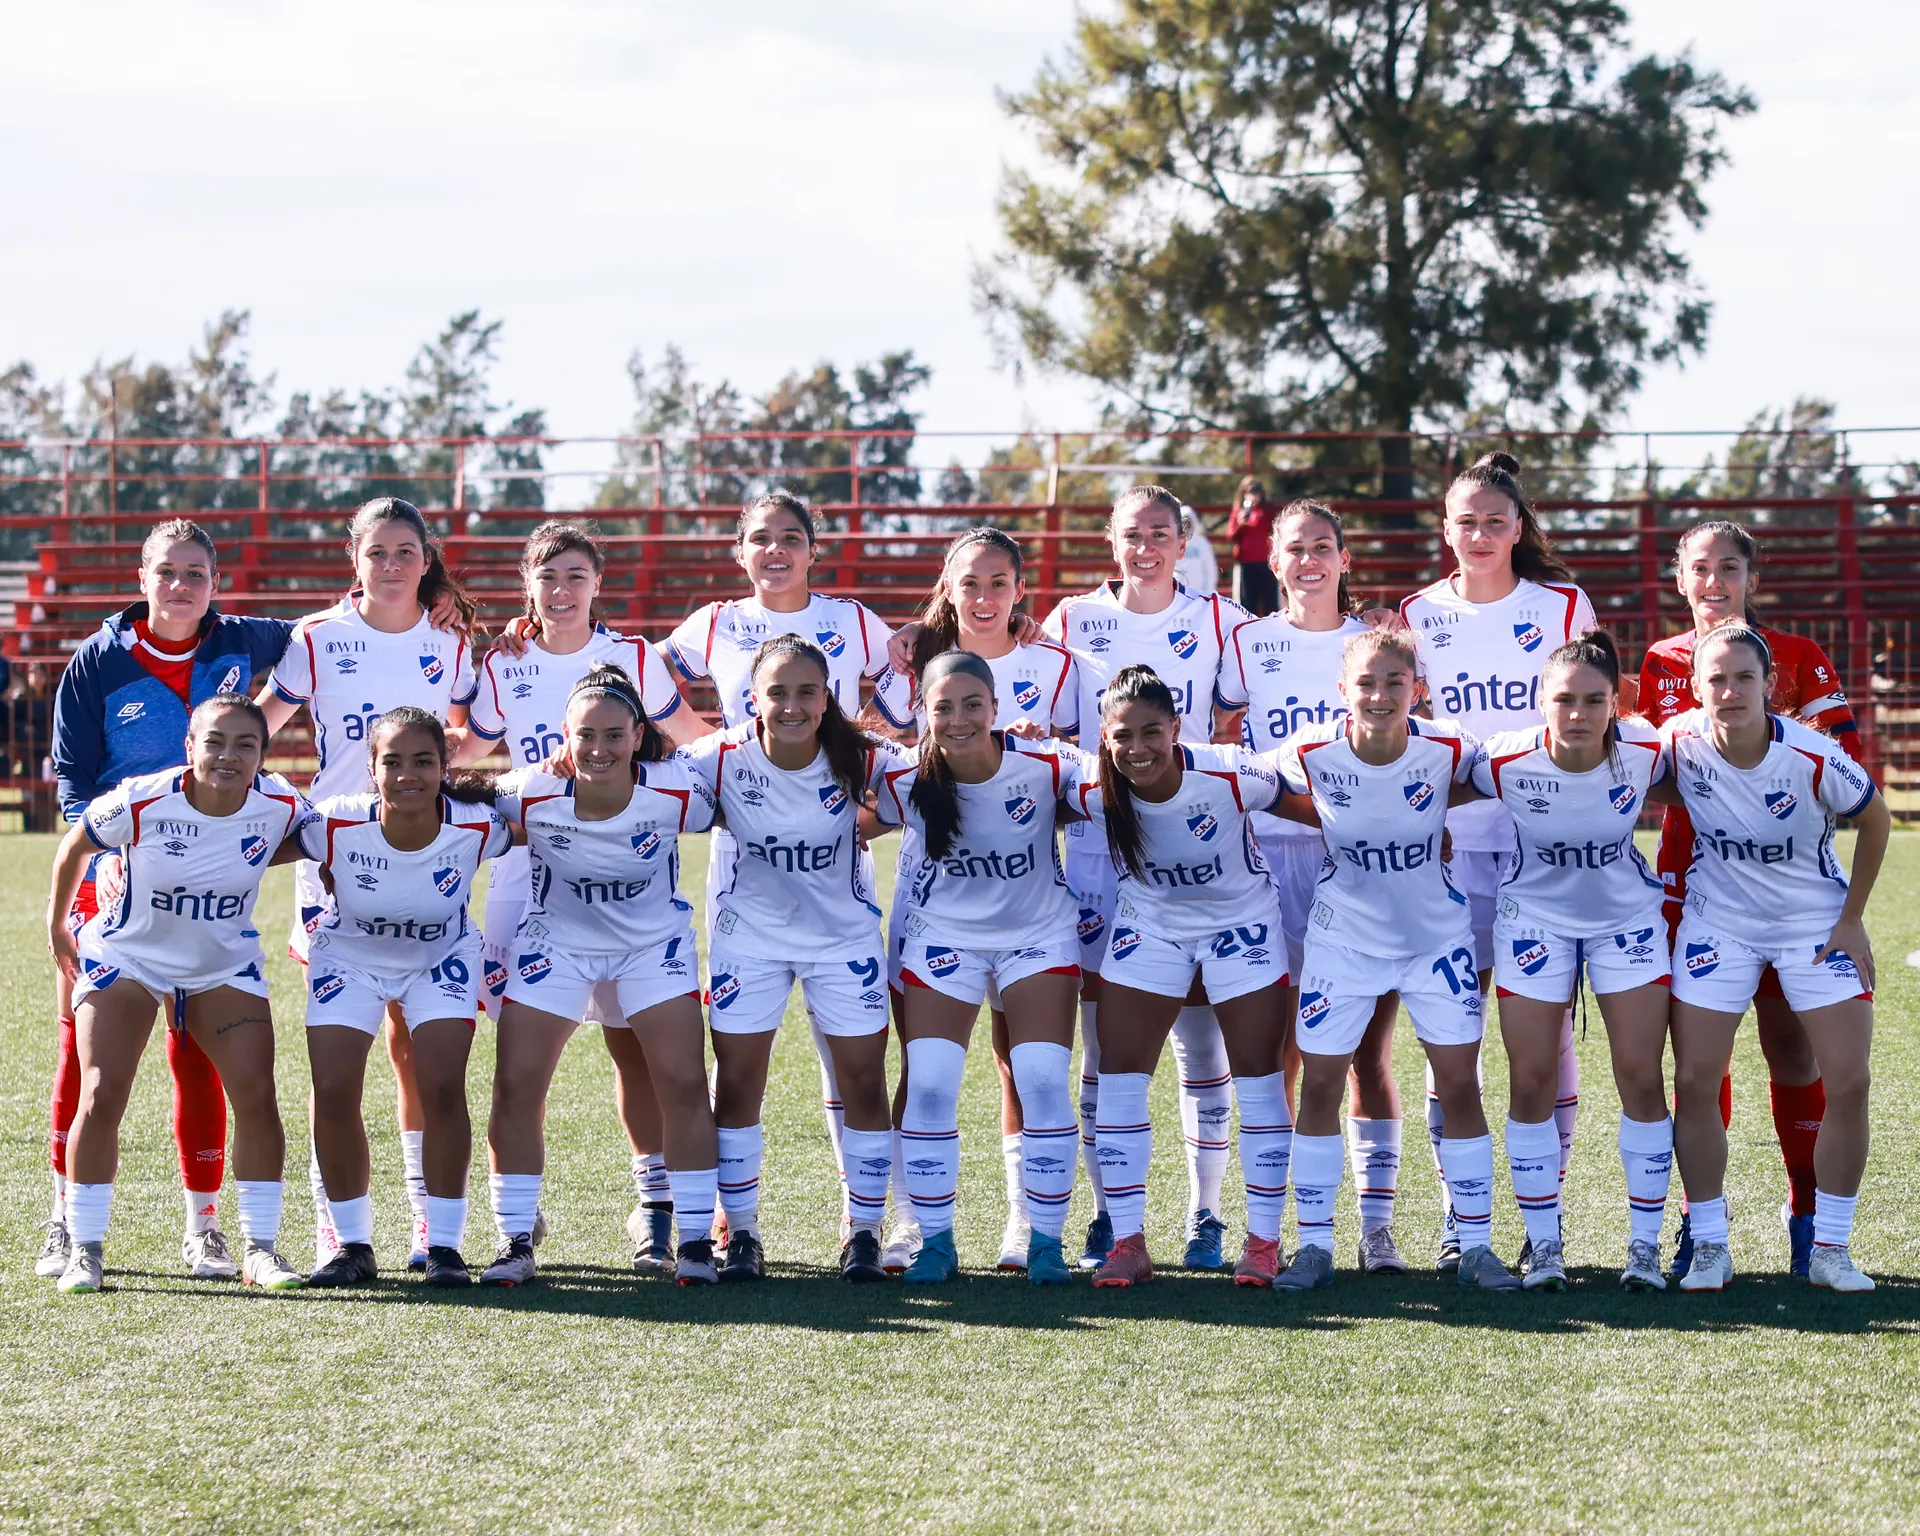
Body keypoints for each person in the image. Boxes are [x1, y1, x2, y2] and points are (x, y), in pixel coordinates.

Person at [43, 519, 296, 1281]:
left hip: (209, 889)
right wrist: (111, 857)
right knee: (85, 1053)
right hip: (116, 872)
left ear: (216, 583)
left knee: (200, 1055)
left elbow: (331, 632)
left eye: (196, 573)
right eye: (167, 572)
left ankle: (205, 1227)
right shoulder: (98, 660)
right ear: (142, 578)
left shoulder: (245, 641)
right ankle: (66, 1220)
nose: (181, 586)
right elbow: (73, 780)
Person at [450, 519, 705, 1274]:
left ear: (597, 584)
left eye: (575, 576)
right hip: (528, 876)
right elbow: (469, 750)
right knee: (519, 1055)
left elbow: (692, 738)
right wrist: (395, 754)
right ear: (527, 585)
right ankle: (517, 1218)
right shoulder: (505, 661)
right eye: (547, 576)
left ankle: (656, 1208)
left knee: (636, 1049)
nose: (560, 590)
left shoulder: (635, 656)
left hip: (629, 866)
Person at [665, 491, 906, 1240]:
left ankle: (865, 1225)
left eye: (791, 537)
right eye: (760, 538)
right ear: (740, 550)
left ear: (813, 549)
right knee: (738, 1073)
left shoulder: (854, 627)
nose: (776, 550)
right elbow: (643, 679)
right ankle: (734, 1226)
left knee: (855, 1071)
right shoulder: (714, 638)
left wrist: (860, 820)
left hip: (841, 912)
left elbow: (922, 725)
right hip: (748, 905)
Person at [258, 496, 478, 1270]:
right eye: (376, 552)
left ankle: (428, 1225)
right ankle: (339, 1231)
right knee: (337, 1057)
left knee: (416, 1049)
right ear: (354, 559)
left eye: (405, 552)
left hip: (425, 857)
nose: (390, 565)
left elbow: (467, 735)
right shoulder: (316, 637)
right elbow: (260, 727)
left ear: (427, 560)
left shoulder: (451, 639)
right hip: (334, 860)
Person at [1636, 520, 1859, 1280]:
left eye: (1728, 568)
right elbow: (1652, 769)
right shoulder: (1661, 660)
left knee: (1793, 1047)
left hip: (1791, 894)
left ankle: (1808, 1214)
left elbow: (1845, 765)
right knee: (1701, 1061)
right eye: (1700, 569)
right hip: (1692, 887)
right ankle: (1702, 1226)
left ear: (1750, 579)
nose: (1714, 582)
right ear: (1680, 580)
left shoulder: (1797, 655)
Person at [1040, 485, 1254, 1272]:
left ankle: (1206, 1215)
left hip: (1194, 851)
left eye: (1161, 533)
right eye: (1132, 534)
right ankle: (1108, 1214)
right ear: (1111, 539)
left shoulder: (1221, 618)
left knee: (1201, 1041)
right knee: (1104, 1047)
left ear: (1182, 541)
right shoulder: (1070, 620)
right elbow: (1045, 715)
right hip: (1099, 851)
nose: (1146, 548)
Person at [1272, 627, 1518, 1291]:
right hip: (1343, 943)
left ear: (1418, 689)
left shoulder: (1449, 746)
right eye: (1366, 683)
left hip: (1436, 943)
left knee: (1459, 1084)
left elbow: (1512, 766)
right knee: (1322, 1084)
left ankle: (1476, 1246)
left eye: (1394, 683)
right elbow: (1248, 780)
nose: (1379, 696)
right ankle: (1315, 1245)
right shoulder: (1308, 749)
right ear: (1342, 690)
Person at [1398, 451, 1596, 1268]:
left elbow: (1593, 715)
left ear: (1518, 529)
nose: (1479, 535)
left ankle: (1545, 1224)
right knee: (1455, 1031)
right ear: (1445, 530)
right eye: (1465, 522)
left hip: (1542, 848)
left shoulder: (1563, 605)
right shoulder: (1416, 613)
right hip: (1447, 847)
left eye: (1494, 522)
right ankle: (1460, 1215)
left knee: (1546, 1034)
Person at [1658, 625, 1887, 1293]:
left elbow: (1877, 818)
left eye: (1744, 678)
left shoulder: (1811, 754)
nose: (1730, 691)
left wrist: (1851, 919)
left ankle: (1831, 1247)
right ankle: (1709, 1244)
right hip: (1717, 924)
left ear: (1769, 686)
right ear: (1696, 688)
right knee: (1696, 1081)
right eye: (1716, 679)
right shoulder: (1676, 741)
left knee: (1850, 1081)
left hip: (1812, 924)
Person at [876, 526, 1078, 1273]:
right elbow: (838, 805)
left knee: (1038, 1079)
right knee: (927, 1081)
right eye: (942, 708)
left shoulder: (1048, 755)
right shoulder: (902, 772)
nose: (958, 719)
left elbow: (1122, 775)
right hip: (939, 932)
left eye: (973, 705)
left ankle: (1037, 1234)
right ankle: (923, 1233)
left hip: (1037, 933)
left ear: (997, 705)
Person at [1214, 501, 1409, 1275]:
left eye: (1323, 546)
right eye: (1294, 548)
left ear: (1344, 558)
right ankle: (1277, 1228)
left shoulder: (1376, 641)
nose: (1308, 561)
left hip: (1360, 863)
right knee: (1277, 1057)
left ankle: (1376, 1230)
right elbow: (1225, 739)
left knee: (1365, 1053)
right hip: (1267, 862)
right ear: (1273, 560)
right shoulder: (1246, 642)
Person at [482, 664, 722, 1287]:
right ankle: (514, 1237)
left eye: (614, 734)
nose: (599, 749)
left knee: (683, 1082)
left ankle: (696, 1239)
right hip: (556, 946)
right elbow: (454, 798)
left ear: (638, 735)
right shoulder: (530, 788)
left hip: (651, 946)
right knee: (516, 1083)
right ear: (563, 735)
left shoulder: (679, 789)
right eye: (585, 735)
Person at [1066, 665, 1297, 1288]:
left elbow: (1318, 810)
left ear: (1176, 728)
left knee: (1259, 1076)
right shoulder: (1091, 788)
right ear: (1105, 739)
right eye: (1122, 736)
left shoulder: (1230, 772)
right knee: (1118, 1075)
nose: (1137, 749)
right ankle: (1128, 1242)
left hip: (1241, 923)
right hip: (1149, 925)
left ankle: (1263, 1242)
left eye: (1151, 732)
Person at [1461, 631, 1674, 1290]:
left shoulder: (1648, 750)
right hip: (1534, 925)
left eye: (1593, 701)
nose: (1577, 714)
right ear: (1541, 701)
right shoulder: (1502, 759)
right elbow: (1425, 783)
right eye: (1563, 700)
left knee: (1641, 1078)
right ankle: (1544, 1244)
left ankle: (1644, 1248)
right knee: (1530, 1082)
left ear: (1616, 704)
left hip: (1626, 923)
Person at [296, 707, 511, 1288]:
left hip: (440, 959)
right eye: (392, 762)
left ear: (444, 767)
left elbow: (555, 815)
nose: (408, 774)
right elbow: (246, 838)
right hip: (349, 958)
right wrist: (121, 859)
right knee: (333, 1090)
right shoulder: (333, 821)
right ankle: (352, 1245)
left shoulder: (480, 825)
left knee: (441, 1087)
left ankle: (444, 1246)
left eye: (423, 761)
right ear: (372, 768)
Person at [1226, 476, 1279, 615]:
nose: (1254, 495)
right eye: (1249, 491)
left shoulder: (1267, 510)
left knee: (1270, 603)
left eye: (1256, 491)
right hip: (1246, 563)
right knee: (1247, 603)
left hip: (1266, 563)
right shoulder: (1239, 511)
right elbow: (1231, 536)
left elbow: (1275, 531)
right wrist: (1240, 523)